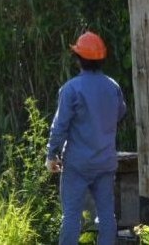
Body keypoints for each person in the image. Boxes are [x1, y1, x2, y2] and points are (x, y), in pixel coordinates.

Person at [46, 30, 126, 245]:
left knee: (71, 216)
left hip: (77, 164)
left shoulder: (71, 89)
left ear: (78, 59)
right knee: (107, 215)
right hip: (105, 162)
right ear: (101, 59)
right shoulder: (113, 87)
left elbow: (60, 125)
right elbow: (120, 114)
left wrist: (52, 154)